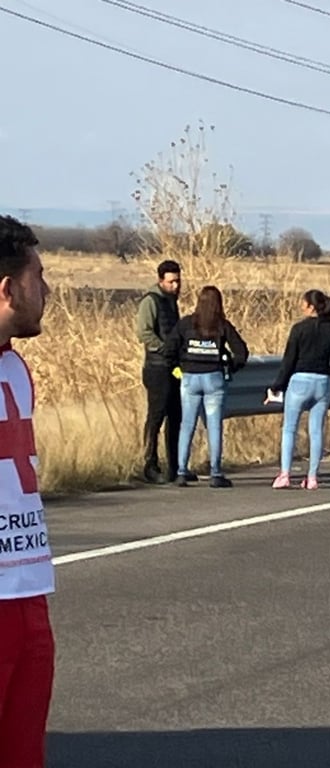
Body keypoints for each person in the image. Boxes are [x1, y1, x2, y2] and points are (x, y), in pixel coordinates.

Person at [0, 215, 55, 768]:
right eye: (38, 277)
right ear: (7, 288)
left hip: (26, 590)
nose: (48, 290)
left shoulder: (16, 368)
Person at [163, 285, 249, 488]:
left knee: (187, 425)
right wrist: (229, 369)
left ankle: (181, 471)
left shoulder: (186, 324)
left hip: (190, 378)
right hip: (214, 378)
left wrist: (177, 369)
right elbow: (242, 352)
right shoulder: (222, 326)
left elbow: (169, 349)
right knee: (214, 425)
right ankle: (216, 473)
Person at [265, 289, 330, 491]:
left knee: (290, 428)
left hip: (299, 381)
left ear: (311, 307)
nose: (301, 306)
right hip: (322, 383)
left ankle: (284, 474)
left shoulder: (299, 329)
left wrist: (277, 386)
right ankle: (312, 478)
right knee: (316, 430)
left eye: (303, 303)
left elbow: (289, 361)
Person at [135, 259, 196, 484]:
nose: (176, 286)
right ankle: (150, 465)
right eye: (171, 282)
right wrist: (164, 349)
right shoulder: (151, 301)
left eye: (178, 281)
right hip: (156, 367)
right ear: (161, 280)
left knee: (176, 417)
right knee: (156, 417)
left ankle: (175, 466)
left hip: (173, 368)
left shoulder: (171, 302)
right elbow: (144, 332)